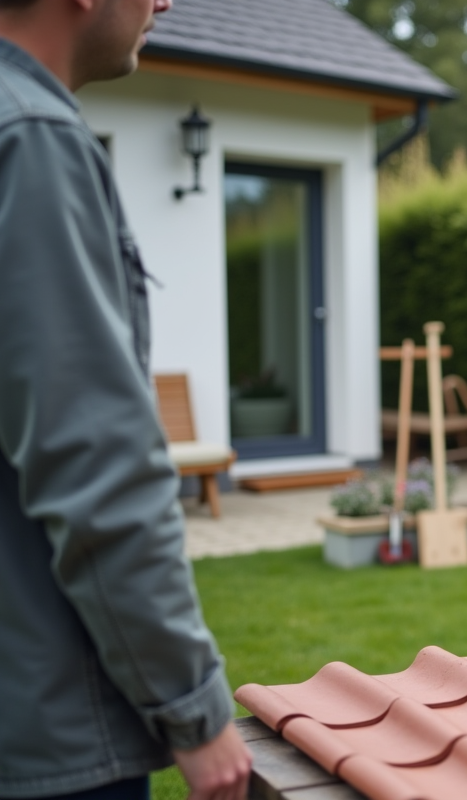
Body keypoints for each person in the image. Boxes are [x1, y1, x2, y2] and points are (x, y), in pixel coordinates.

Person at [0, 1, 252, 798]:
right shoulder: (32, 138)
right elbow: (96, 462)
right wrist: (195, 713)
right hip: (47, 735)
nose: (166, 1)